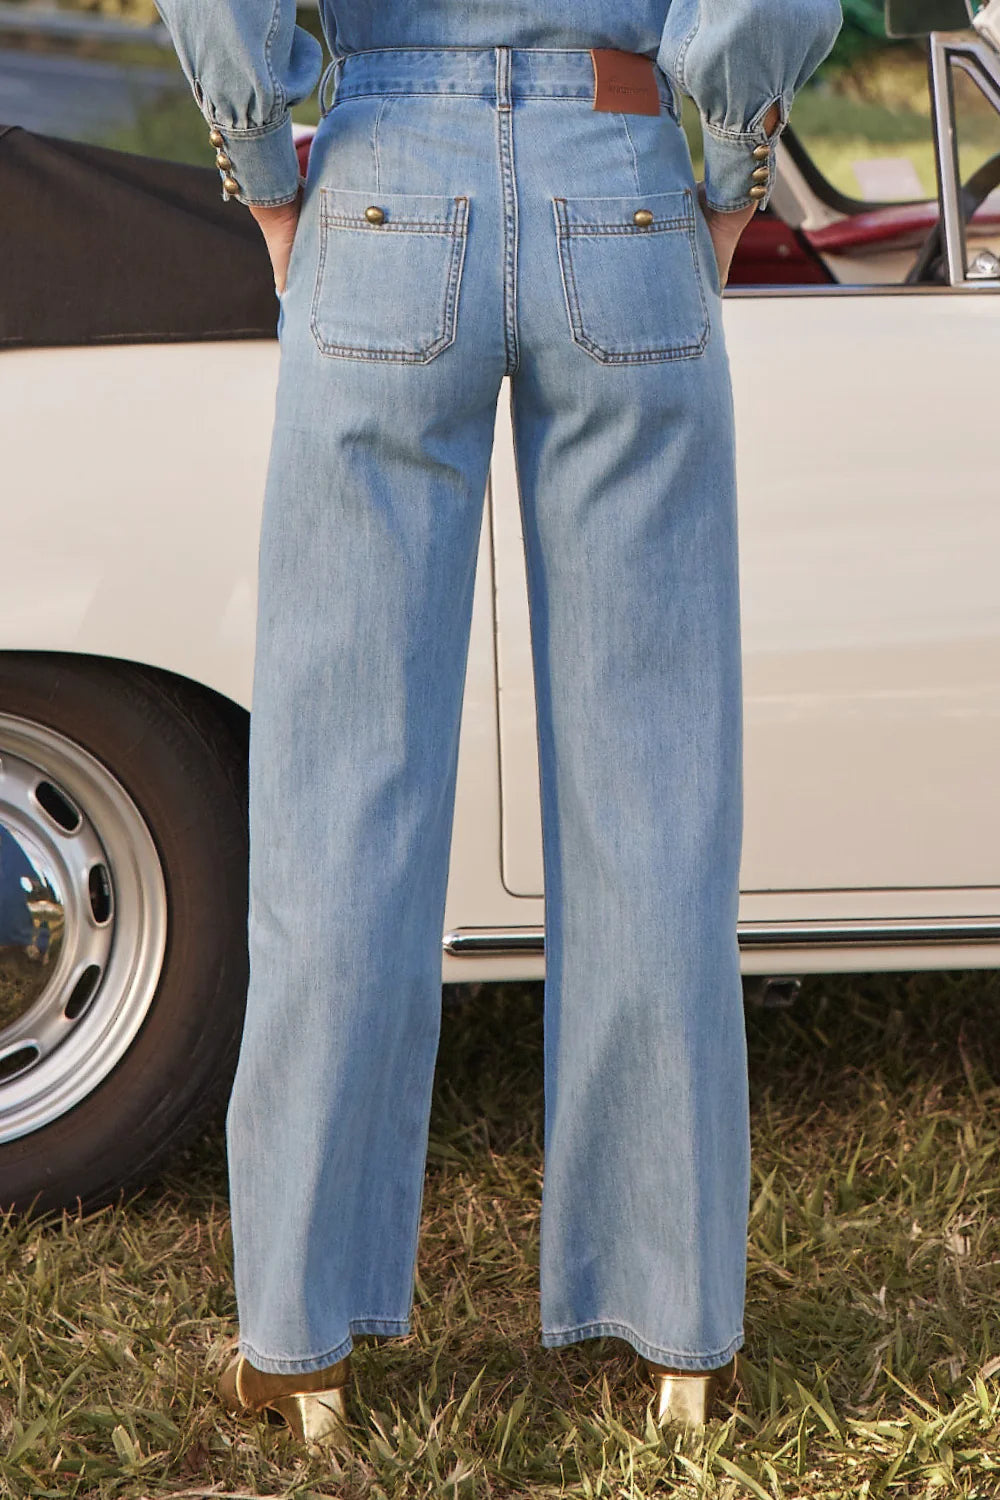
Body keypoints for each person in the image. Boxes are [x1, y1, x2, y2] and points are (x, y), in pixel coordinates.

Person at [155, 0, 841, 1445]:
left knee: (343, 789)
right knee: (654, 788)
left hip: (383, 177)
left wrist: (264, 172)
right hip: (623, 173)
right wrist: (729, 168)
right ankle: (677, 1334)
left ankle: (301, 1341)